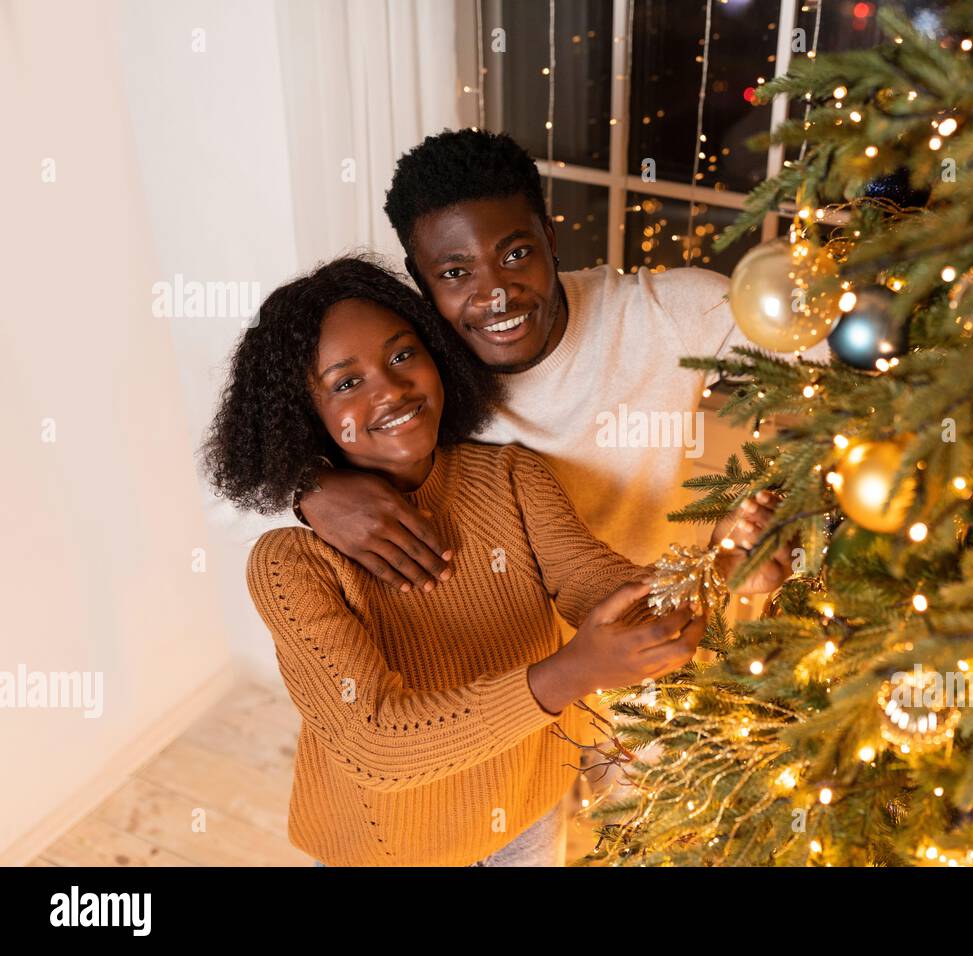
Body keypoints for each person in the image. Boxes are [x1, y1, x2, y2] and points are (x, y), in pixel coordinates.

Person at [203, 256, 708, 866]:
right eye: (345, 382)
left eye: (400, 356)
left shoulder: (510, 475)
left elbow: (589, 580)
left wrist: (718, 570)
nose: (389, 389)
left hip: (527, 804)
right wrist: (570, 672)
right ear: (302, 415)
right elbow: (375, 742)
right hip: (388, 848)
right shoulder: (292, 563)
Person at [295, 128, 805, 593]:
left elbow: (849, 373)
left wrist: (756, 522)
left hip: (661, 634)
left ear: (550, 238)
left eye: (516, 255)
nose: (495, 295)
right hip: (507, 671)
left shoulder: (665, 314)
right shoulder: (413, 372)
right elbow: (253, 456)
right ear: (419, 275)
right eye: (455, 273)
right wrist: (310, 492)